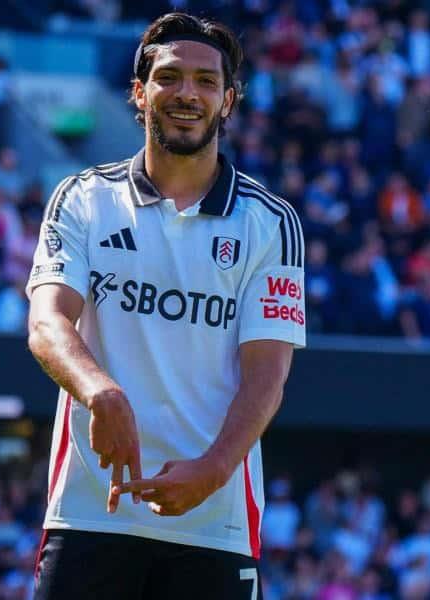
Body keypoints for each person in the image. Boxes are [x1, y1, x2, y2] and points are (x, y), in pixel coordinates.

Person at [26, 12, 305, 599]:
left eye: (206, 82)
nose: (187, 93)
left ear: (228, 101)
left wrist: (214, 469)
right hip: (88, 513)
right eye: (170, 77)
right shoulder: (83, 199)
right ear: (139, 92)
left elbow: (268, 373)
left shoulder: (271, 223)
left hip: (214, 521)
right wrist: (99, 390)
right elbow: (48, 322)